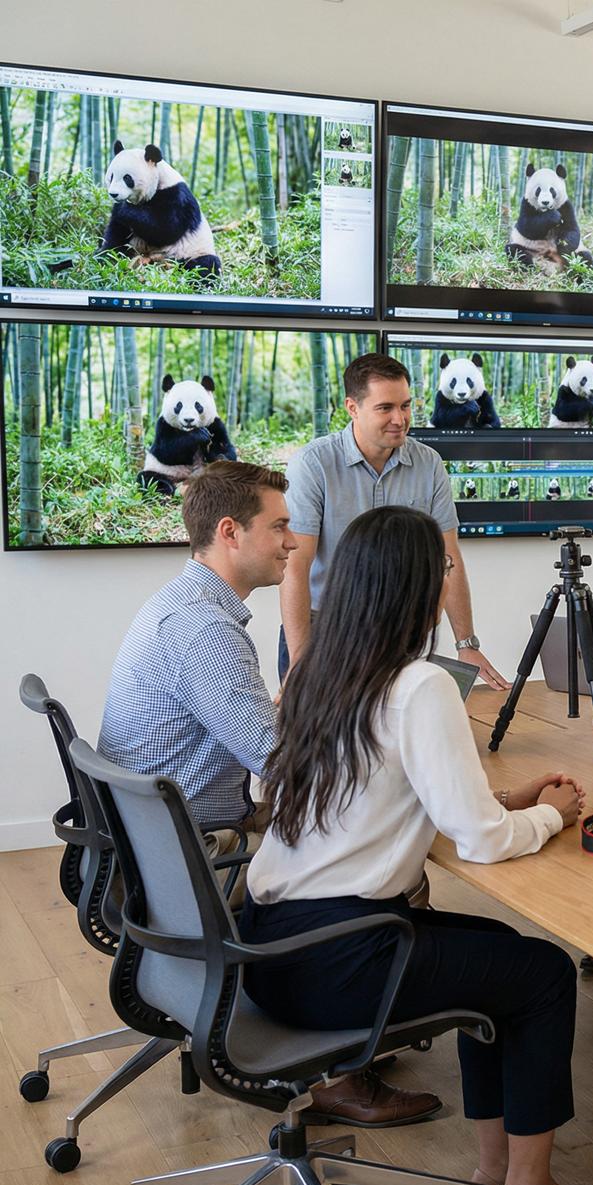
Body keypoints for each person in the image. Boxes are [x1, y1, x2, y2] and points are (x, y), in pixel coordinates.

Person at [243, 506, 586, 1185]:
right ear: (416, 585)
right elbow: (483, 844)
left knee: (494, 954)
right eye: (445, 568)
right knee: (543, 973)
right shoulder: (420, 683)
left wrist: (501, 801)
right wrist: (548, 815)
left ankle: (495, 1169)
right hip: (340, 958)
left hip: (264, 951)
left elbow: (282, 790)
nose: (448, 578)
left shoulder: (313, 675)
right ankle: (529, 1184)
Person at [98, 461, 439, 1127]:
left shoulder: (182, 604)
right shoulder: (206, 632)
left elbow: (262, 741)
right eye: (280, 526)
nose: (293, 541)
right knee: (389, 873)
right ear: (230, 532)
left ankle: (348, 1036)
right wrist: (402, 763)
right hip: (192, 849)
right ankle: (342, 1065)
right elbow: (283, 765)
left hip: (155, 841)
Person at [280, 352, 507, 689]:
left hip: (399, 634)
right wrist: (300, 661)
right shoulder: (313, 465)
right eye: (385, 408)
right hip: (325, 629)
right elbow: (295, 568)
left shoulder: (428, 463)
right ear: (352, 407)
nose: (400, 419)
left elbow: (449, 557)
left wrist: (466, 644)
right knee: (318, 739)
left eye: (405, 406)